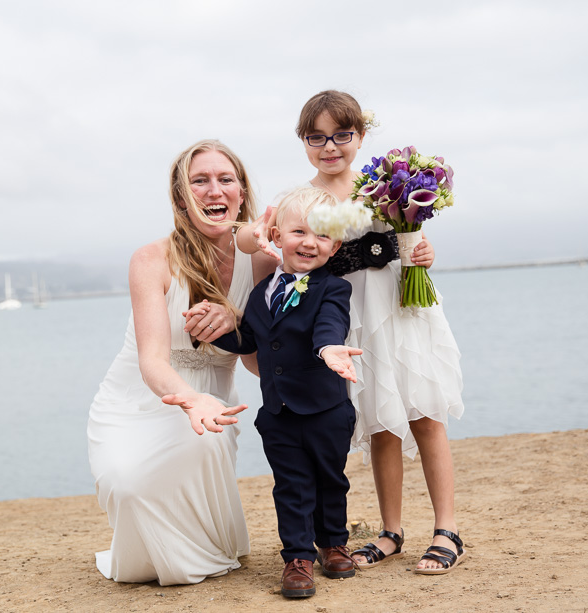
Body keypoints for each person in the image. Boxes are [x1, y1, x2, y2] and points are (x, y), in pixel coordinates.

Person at [239, 90, 465, 574]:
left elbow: (414, 239)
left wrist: (424, 253)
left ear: (360, 136)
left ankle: (447, 529)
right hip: (345, 320)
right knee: (381, 420)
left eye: (342, 135)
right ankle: (391, 532)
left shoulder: (381, 186)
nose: (330, 146)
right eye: (316, 137)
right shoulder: (304, 200)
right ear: (303, 141)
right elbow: (252, 236)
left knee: (425, 413)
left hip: (401, 308)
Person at [86, 139, 278, 586]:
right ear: (180, 197)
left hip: (214, 397)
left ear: (242, 192)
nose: (215, 191)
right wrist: (193, 401)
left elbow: (254, 362)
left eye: (226, 180)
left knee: (201, 448)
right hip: (141, 393)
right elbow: (151, 360)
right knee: (126, 483)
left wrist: (236, 324)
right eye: (200, 181)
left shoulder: (263, 261)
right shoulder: (151, 259)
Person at [201, 186, 362, 598]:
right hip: (279, 413)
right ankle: (297, 558)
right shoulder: (259, 294)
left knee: (330, 480)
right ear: (276, 234)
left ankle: (332, 543)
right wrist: (217, 332)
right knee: (290, 485)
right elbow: (251, 340)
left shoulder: (333, 289)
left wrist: (329, 348)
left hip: (326, 409)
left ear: (335, 245)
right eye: (299, 232)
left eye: (322, 236)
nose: (309, 243)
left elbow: (330, 324)